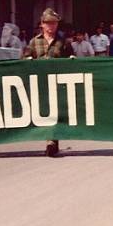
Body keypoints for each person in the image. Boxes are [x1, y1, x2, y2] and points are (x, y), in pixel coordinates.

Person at [23, 8, 72, 157]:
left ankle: (52, 140)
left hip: (57, 83)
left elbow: (71, 59)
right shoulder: (34, 42)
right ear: (42, 25)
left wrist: (71, 60)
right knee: (44, 112)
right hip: (40, 83)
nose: (51, 26)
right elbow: (24, 58)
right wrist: (28, 61)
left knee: (55, 112)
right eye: (48, 23)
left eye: (54, 23)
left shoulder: (63, 42)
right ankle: (50, 139)